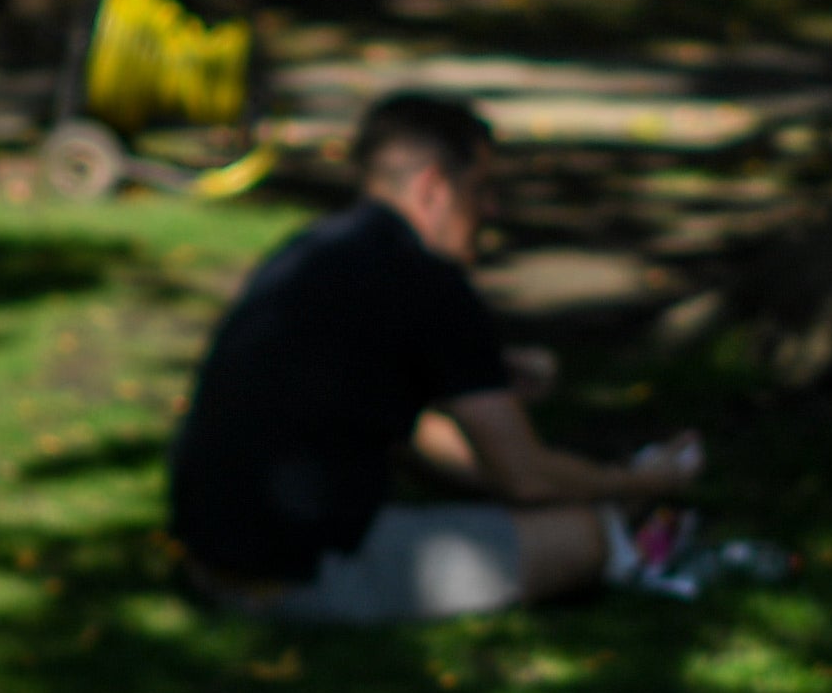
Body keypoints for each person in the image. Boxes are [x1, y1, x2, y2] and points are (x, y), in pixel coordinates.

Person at [166, 91, 705, 622]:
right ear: (434, 188)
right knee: (583, 534)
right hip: (302, 577)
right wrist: (640, 484)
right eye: (482, 189)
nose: (492, 210)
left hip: (212, 560)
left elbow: (417, 432)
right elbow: (525, 476)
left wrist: (486, 374)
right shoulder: (429, 280)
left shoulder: (312, 252)